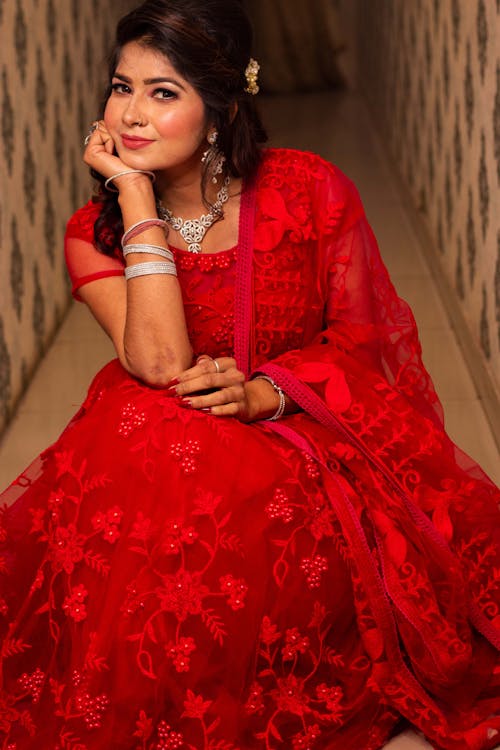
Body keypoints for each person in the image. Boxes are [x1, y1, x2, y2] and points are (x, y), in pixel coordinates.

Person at [0, 1, 499, 748]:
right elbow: (161, 363)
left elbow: (365, 338)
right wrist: (136, 201)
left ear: (223, 104)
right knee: (162, 446)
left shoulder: (308, 190)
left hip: (302, 433)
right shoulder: (94, 231)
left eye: (163, 93)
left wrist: (268, 393)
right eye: (121, 85)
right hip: (164, 445)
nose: (131, 114)